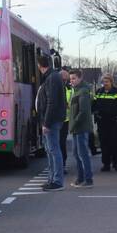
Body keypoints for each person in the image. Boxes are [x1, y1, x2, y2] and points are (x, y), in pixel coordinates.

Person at [36, 55, 67, 190]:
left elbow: (51, 102)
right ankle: (52, 179)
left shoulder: (51, 78)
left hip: (52, 121)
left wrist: (46, 123)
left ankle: (57, 181)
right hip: (51, 120)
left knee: (54, 150)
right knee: (50, 150)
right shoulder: (52, 77)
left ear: (39, 65)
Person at [93, 75, 117, 172]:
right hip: (102, 122)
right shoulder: (99, 92)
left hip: (115, 121)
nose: (105, 83)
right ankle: (106, 164)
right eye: (104, 82)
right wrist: (96, 113)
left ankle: (116, 162)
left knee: (114, 142)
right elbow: (94, 105)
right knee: (104, 143)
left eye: (107, 81)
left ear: (111, 82)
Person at [67, 69, 94, 188]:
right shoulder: (76, 90)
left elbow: (83, 112)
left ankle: (88, 180)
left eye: (73, 78)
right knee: (76, 154)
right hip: (76, 128)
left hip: (81, 128)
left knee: (82, 154)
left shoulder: (83, 91)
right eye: (70, 79)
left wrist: (74, 124)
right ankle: (80, 178)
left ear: (80, 78)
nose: (71, 81)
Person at [60, 67, 72, 171]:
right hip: (56, 119)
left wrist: (69, 105)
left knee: (61, 143)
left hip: (65, 120)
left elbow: (73, 103)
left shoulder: (70, 89)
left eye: (65, 79)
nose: (64, 81)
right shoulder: (54, 87)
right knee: (57, 144)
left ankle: (62, 164)